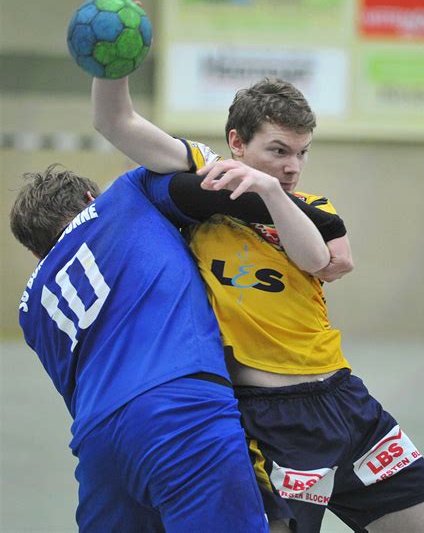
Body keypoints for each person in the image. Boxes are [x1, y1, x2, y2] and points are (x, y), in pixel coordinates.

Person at [92, 76, 424, 533]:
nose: (293, 167)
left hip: (348, 404)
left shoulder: (308, 206)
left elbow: (316, 259)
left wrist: (269, 191)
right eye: (279, 151)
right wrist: (112, 71)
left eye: (302, 152)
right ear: (237, 143)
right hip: (271, 420)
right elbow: (116, 123)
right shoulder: (205, 185)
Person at [10, 160, 345, 532]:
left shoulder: (31, 306)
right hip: (179, 409)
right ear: (91, 199)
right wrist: (324, 224)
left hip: (97, 443)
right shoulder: (123, 196)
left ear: (37, 250)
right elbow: (223, 192)